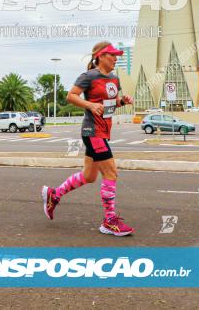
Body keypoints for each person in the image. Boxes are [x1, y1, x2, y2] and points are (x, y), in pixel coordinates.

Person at [41, 41, 134, 236]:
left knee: (89, 177)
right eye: (112, 55)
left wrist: (122, 102)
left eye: (117, 56)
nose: (115, 59)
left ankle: (54, 195)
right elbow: (71, 96)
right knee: (112, 173)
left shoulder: (115, 79)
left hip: (104, 130)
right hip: (92, 132)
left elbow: (110, 104)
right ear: (100, 56)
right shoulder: (88, 76)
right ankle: (109, 221)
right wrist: (90, 105)